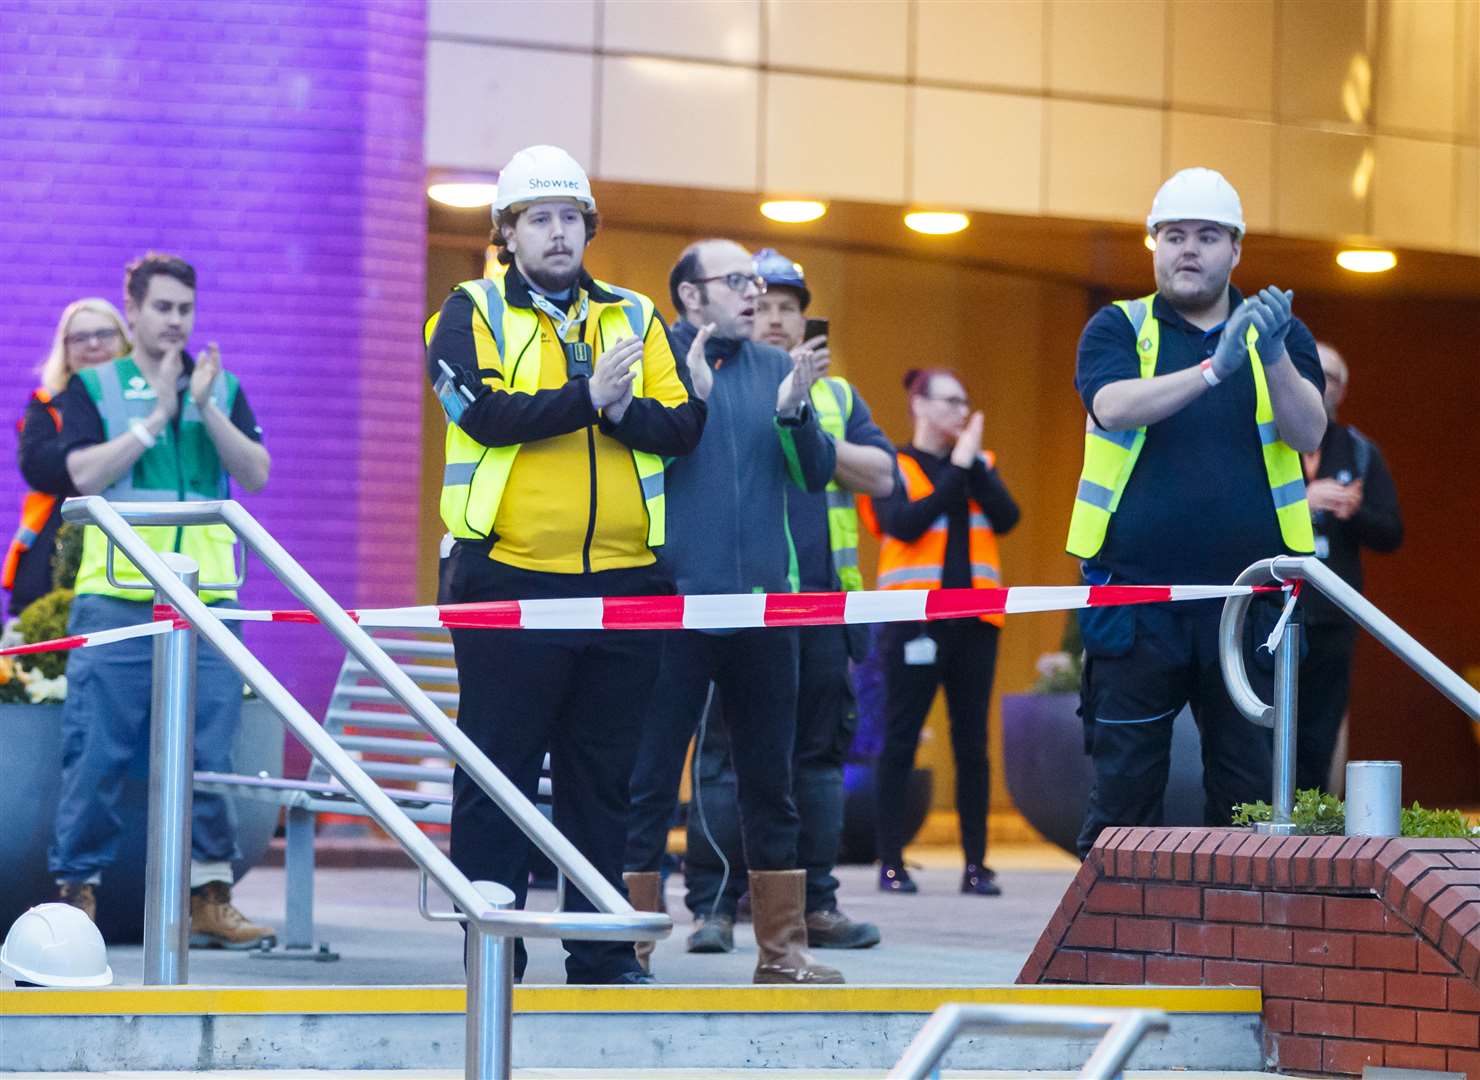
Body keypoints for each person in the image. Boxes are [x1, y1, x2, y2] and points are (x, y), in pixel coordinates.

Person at [425, 144, 705, 986]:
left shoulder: (634, 313)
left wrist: (615, 416)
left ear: (589, 228)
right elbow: (482, 414)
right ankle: (493, 951)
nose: (557, 232)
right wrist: (592, 401)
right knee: (497, 773)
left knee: (602, 778)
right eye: (538, 218)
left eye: (570, 217)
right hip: (509, 577)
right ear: (506, 233)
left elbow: (683, 423)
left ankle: (600, 948)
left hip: (626, 582)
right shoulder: (467, 310)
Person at [1067, 167, 1328, 858]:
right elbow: (1112, 404)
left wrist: (1268, 355)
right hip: (1137, 599)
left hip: (1249, 605)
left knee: (1247, 802)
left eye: (1207, 236)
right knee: (1123, 796)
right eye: (1174, 235)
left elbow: (1309, 433)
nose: (1189, 249)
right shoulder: (1119, 326)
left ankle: (1231, 960)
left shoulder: (1282, 332)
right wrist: (1215, 367)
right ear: (1153, 245)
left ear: (1236, 250)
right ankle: (1103, 957)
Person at [20, 253, 274, 946]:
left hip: (211, 602)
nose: (175, 322)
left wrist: (200, 410)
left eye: (185, 309)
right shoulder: (96, 387)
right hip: (119, 598)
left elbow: (254, 472)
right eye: (162, 308)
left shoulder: (220, 385)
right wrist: (155, 417)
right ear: (131, 312)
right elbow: (79, 475)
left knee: (212, 753)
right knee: (96, 751)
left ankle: (209, 895)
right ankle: (78, 894)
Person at [624, 237, 842, 985]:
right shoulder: (656, 363)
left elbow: (814, 476)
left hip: (762, 609)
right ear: (691, 296)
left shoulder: (778, 367)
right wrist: (684, 398)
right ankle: (629, 949)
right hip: (670, 607)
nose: (755, 293)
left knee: (769, 785)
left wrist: (795, 413)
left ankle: (783, 955)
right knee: (650, 780)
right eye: (737, 281)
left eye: (757, 281)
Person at [683, 249, 893, 955]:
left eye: (785, 306)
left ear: (804, 320)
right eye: (758, 300)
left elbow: (885, 475)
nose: (769, 315)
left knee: (815, 761)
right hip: (741, 601)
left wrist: (800, 420)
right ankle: (714, 906)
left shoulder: (834, 394)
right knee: (720, 759)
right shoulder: (703, 375)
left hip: (823, 607)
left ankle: (815, 906)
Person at [859, 368, 1019, 896]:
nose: (962, 411)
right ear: (920, 405)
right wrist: (958, 466)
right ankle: (891, 862)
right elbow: (903, 524)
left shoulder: (980, 464)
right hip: (914, 619)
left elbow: (1007, 517)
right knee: (900, 738)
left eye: (965, 401)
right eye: (951, 400)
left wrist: (971, 466)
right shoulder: (892, 466)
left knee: (972, 744)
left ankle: (976, 865)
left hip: (976, 622)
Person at [1296, 343, 1402, 791]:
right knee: (1262, 725)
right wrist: (1305, 502)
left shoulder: (1359, 452)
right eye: (1313, 371)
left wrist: (1352, 511)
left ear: (1343, 389)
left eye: (1332, 376)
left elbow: (1391, 533)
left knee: (1320, 731)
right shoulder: (1266, 444)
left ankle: (1310, 834)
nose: (1322, 382)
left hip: (1335, 615)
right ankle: (1256, 834)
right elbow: (1231, 520)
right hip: (1271, 611)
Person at [7, 299, 131, 619]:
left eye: (104, 334)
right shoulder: (47, 404)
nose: (93, 345)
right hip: (54, 550)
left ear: (124, 340)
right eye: (79, 337)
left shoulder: (143, 403)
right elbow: (37, 466)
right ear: (65, 348)